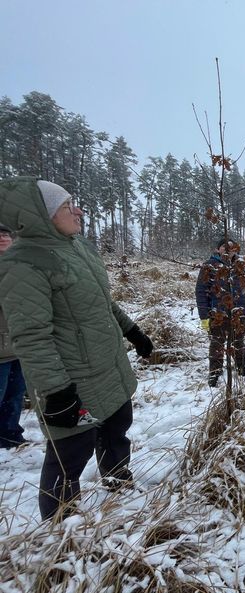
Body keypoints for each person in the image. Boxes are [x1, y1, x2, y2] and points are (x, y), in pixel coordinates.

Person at [0, 177, 154, 520]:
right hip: (72, 379)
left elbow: (102, 303)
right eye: (68, 206)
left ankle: (118, 483)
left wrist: (133, 332)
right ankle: (61, 530)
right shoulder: (25, 263)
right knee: (70, 453)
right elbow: (30, 335)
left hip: (108, 365)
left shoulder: (79, 248)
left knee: (118, 427)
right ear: (43, 214)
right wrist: (56, 391)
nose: (78, 210)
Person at [195, 238, 245, 386]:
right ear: (218, 249)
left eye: (232, 247)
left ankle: (242, 368)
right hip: (218, 314)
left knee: (239, 342)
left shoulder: (241, 266)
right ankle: (214, 373)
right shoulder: (209, 266)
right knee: (217, 343)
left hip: (239, 313)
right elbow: (201, 292)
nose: (229, 250)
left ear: (236, 250)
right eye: (224, 247)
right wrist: (204, 316)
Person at [0, 223, 27, 449]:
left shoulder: (19, 265)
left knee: (15, 394)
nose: (2, 238)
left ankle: (10, 435)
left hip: (18, 343)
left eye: (5, 234)